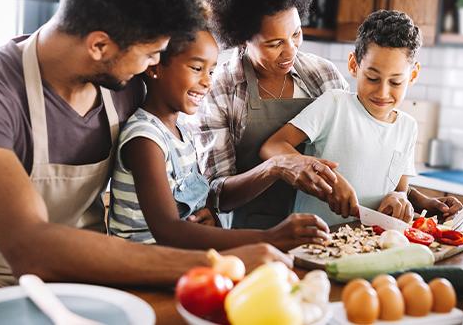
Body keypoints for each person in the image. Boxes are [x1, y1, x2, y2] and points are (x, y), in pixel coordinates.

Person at [0, 0, 287, 295]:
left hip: (90, 287)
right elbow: (31, 249)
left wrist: (195, 214)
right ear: (99, 46)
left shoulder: (126, 85)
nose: (153, 66)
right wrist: (219, 262)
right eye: (151, 54)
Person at [108, 25, 330, 250]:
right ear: (154, 67)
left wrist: (207, 215)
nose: (207, 82)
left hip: (176, 256)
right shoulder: (145, 140)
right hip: (144, 264)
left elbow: (188, 211)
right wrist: (269, 238)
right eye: (196, 68)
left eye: (211, 71)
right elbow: (168, 230)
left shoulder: (180, 132)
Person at [198, 0, 355, 230]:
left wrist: (405, 192)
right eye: (274, 44)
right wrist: (276, 167)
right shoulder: (220, 88)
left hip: (324, 230)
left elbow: (358, 143)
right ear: (243, 37)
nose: (291, 51)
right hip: (252, 235)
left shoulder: (322, 76)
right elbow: (217, 194)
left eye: (296, 34)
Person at [260, 10, 463, 226]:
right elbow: (272, 147)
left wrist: (399, 199)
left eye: (395, 82)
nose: (383, 92)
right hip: (313, 240)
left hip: (369, 246)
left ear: (412, 76)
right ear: (354, 65)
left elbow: (399, 190)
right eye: (373, 78)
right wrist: (326, 176)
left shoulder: (408, 127)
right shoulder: (334, 105)